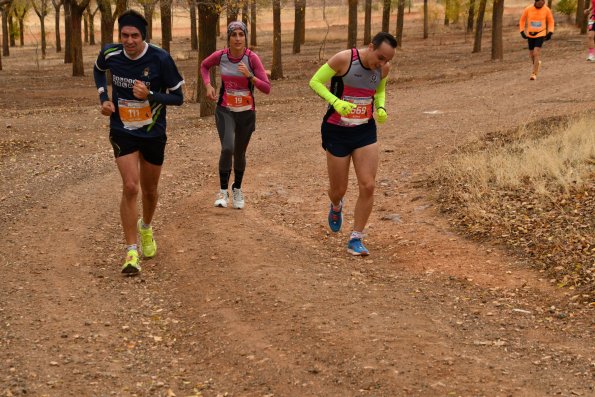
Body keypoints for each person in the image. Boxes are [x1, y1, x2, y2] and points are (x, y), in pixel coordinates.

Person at [93, 10, 185, 275]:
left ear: (143, 36)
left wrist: (151, 94)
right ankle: (131, 251)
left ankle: (146, 227)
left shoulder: (160, 58)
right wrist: (103, 99)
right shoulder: (110, 54)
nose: (129, 40)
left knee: (150, 190)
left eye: (134, 35)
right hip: (123, 129)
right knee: (131, 186)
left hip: (153, 131)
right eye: (124, 35)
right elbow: (99, 71)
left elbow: (179, 98)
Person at [308, 32, 397, 256]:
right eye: (380, 57)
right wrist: (336, 102)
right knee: (339, 189)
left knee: (368, 185)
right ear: (370, 46)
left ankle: (356, 238)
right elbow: (315, 82)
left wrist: (381, 107)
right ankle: (336, 205)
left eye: (387, 60)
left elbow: (380, 91)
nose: (382, 63)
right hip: (336, 131)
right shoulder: (344, 59)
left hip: (364, 131)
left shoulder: (383, 70)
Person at [200, 21, 271, 209]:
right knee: (227, 148)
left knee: (239, 153)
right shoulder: (221, 56)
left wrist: (250, 76)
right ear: (228, 38)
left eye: (241, 34)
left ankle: (237, 188)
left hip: (246, 113)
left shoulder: (252, 58)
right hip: (225, 110)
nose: (238, 38)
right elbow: (204, 66)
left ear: (245, 37)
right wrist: (208, 85)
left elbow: (266, 88)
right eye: (234, 34)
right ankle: (223, 191)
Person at [519, 0, 554, 80]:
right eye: (541, 2)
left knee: (536, 52)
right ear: (536, 1)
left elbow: (551, 21)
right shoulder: (528, 9)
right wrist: (522, 31)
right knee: (531, 54)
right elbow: (522, 20)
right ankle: (537, 63)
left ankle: (534, 73)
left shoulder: (546, 9)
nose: (543, 3)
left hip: (540, 33)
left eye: (543, 1)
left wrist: (550, 32)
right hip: (530, 34)